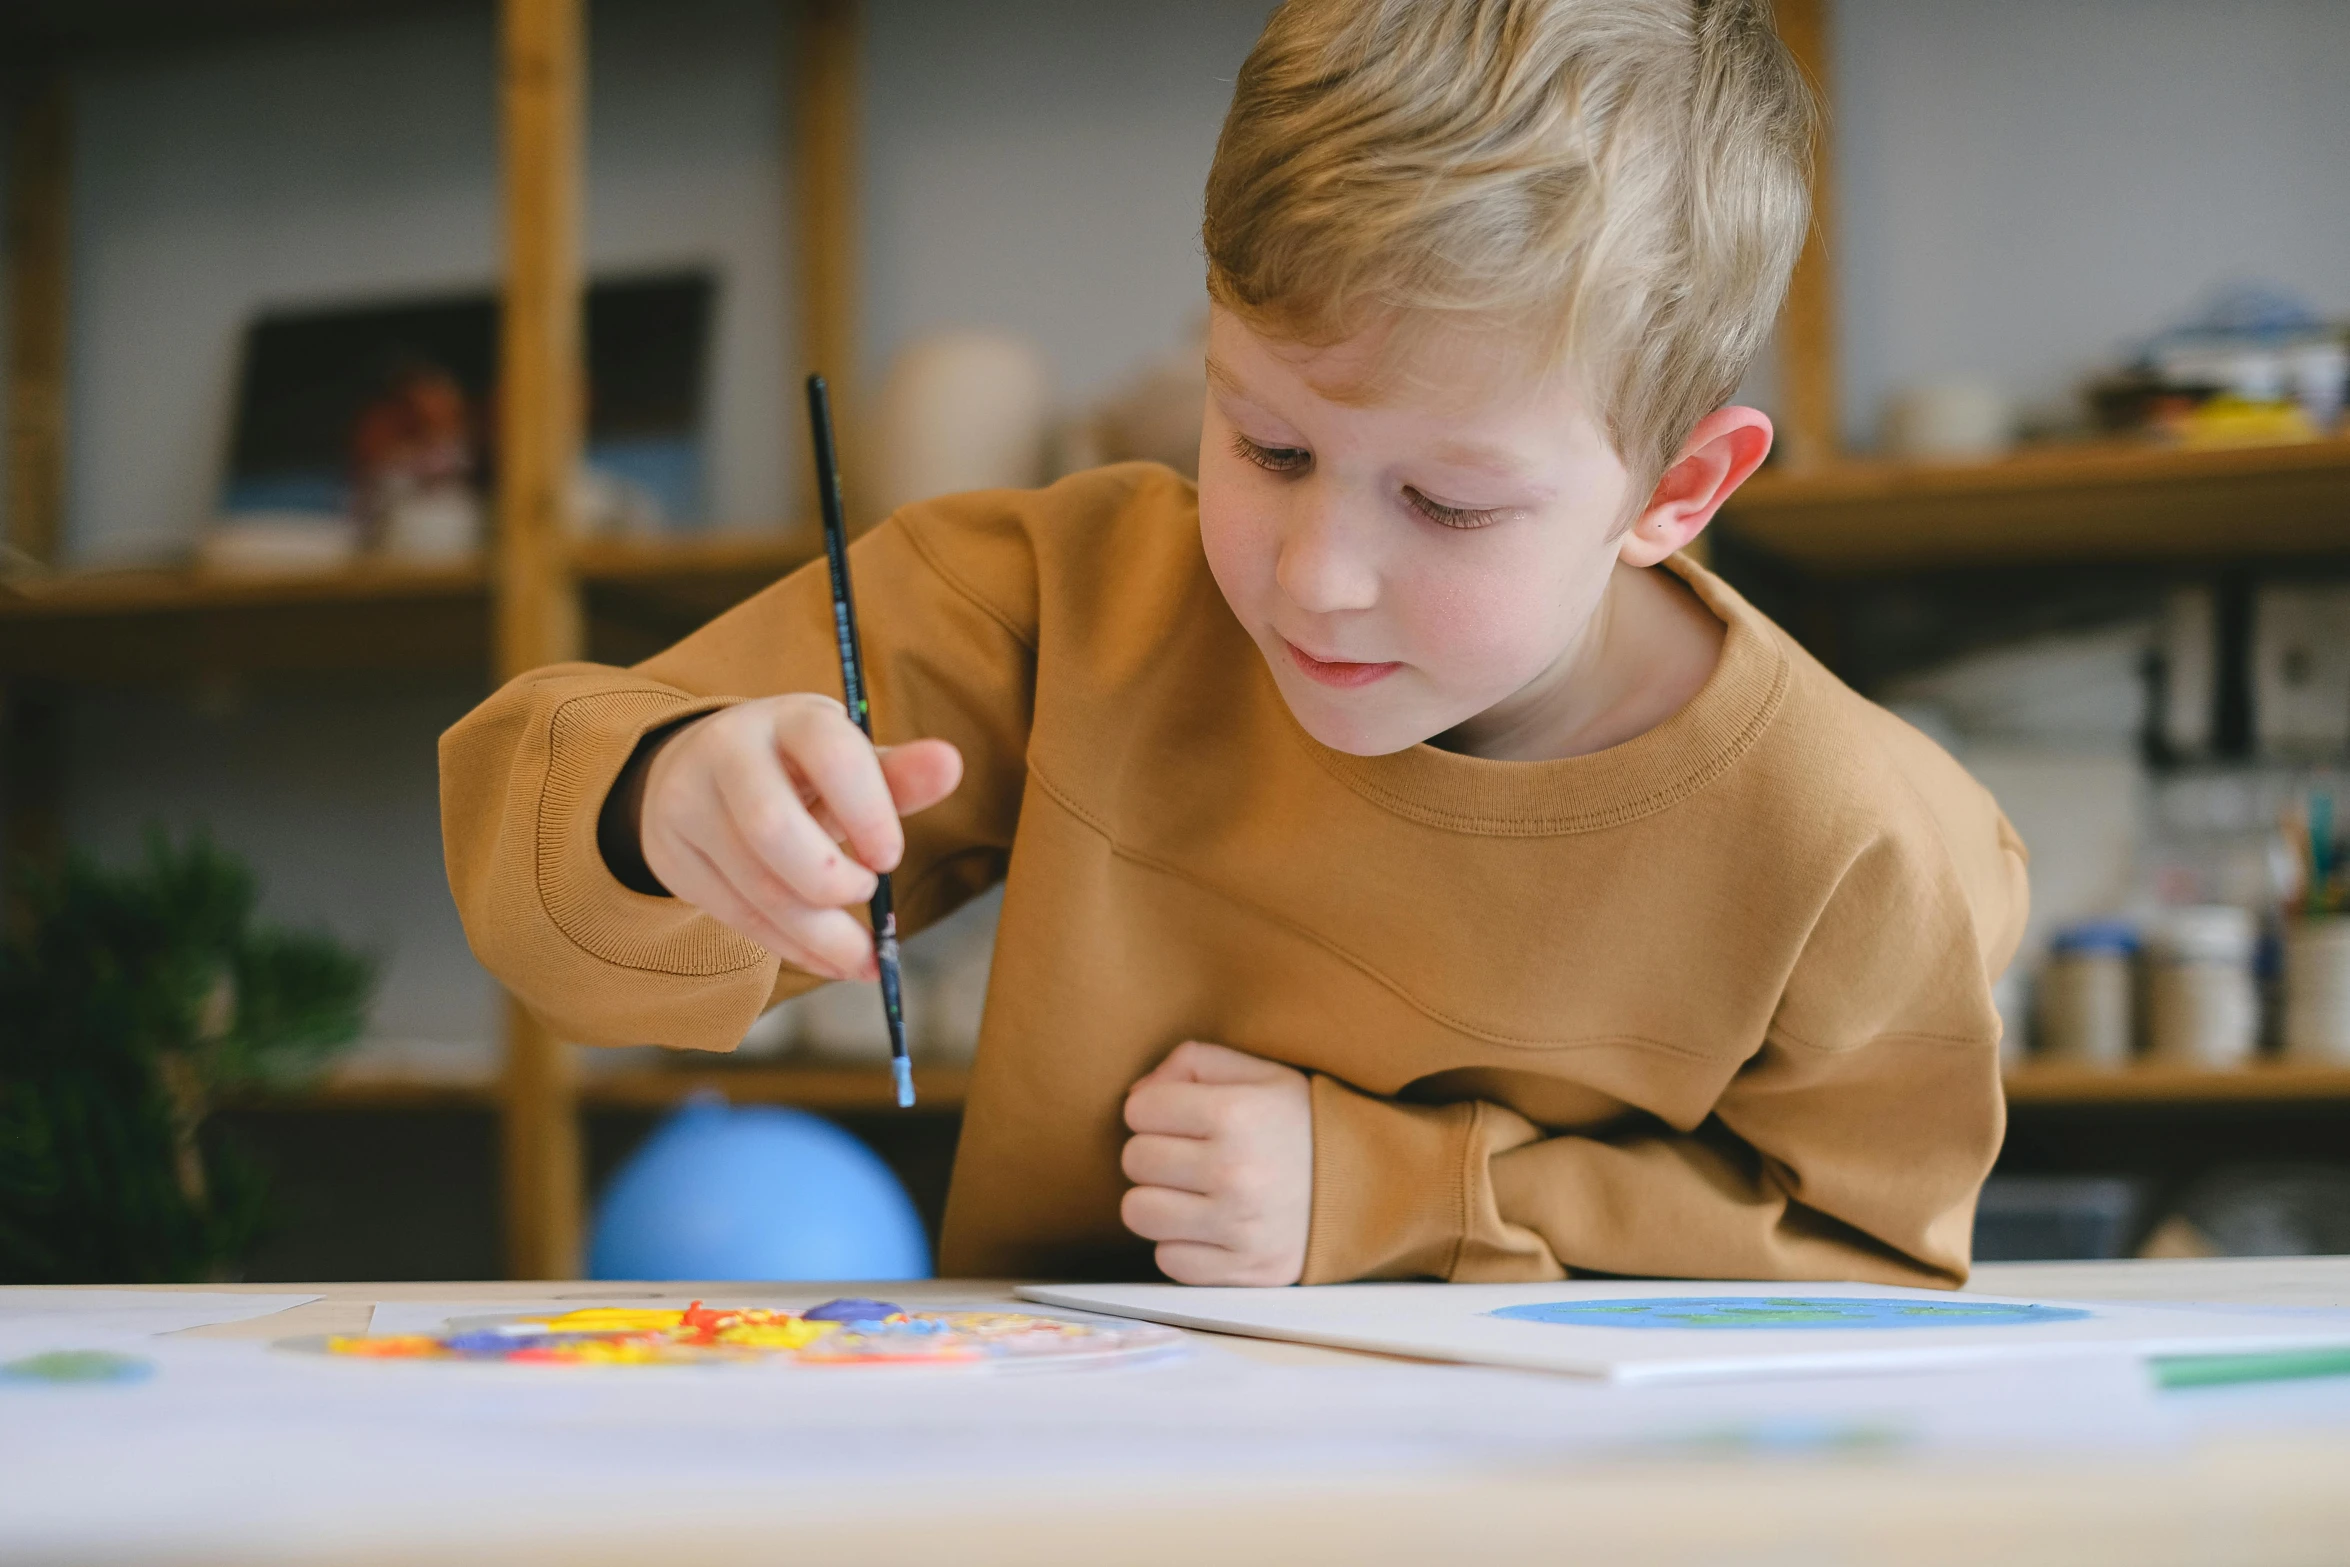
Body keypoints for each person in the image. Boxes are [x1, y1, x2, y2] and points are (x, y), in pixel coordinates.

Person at [442, 0, 2026, 1289]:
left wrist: (1396, 1192)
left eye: (1446, 501)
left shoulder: (1858, 841)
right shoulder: (1068, 602)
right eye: (1264, 445)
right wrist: (664, 800)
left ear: (1676, 490)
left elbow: (1866, 1258)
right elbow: (537, 887)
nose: (1317, 576)